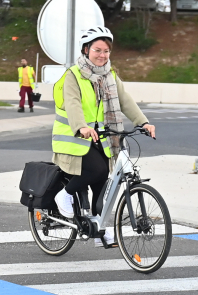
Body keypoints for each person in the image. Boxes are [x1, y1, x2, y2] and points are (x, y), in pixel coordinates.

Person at [50, 26, 154, 248]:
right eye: (97, 50)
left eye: (106, 51)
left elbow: (125, 100)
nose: (102, 55)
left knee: (102, 183)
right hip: (73, 137)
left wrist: (143, 122)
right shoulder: (73, 75)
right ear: (86, 50)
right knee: (97, 170)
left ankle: (100, 230)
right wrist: (81, 127)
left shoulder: (110, 76)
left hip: (102, 137)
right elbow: (73, 104)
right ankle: (64, 195)